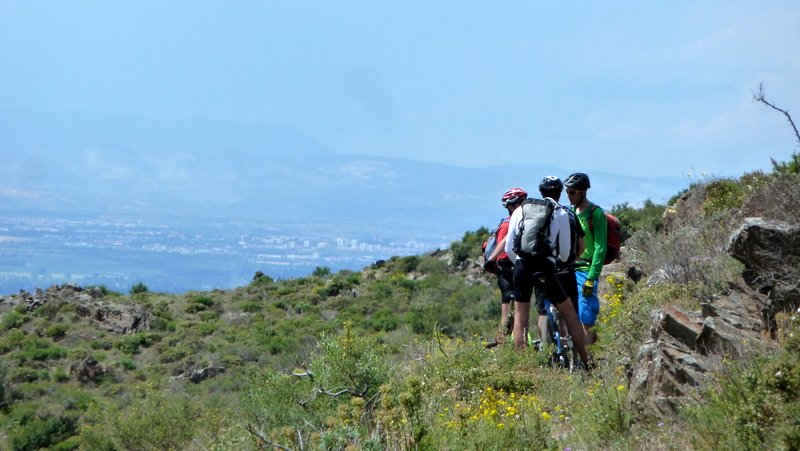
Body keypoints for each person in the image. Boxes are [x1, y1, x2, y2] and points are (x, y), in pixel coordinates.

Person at [504, 188, 591, 367]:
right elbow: (566, 252)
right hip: (546, 265)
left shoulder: (521, 209)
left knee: (521, 319)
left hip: (522, 265)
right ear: (560, 192)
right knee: (569, 314)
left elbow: (508, 249)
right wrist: (555, 262)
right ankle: (587, 361)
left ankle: (522, 368)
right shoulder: (560, 212)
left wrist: (520, 262)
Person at [534, 176, 584, 345]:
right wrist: (572, 259)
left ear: (542, 193)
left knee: (542, 310)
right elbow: (581, 246)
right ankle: (572, 346)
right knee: (569, 312)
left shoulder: (534, 213)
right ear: (560, 193)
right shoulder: (568, 213)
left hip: (540, 268)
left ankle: (545, 349)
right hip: (565, 269)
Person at [564, 172, 607, 346]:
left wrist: (591, 277)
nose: (569, 195)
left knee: (586, 316)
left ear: (583, 192)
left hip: (585, 270)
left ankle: (590, 359)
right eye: (568, 192)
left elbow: (600, 247)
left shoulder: (595, 214)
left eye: (573, 192)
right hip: (570, 267)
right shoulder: (569, 212)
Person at [484, 187, 527, 344]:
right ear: (512, 205)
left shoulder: (510, 222)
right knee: (508, 310)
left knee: (515, 310)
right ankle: (503, 342)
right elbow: (503, 251)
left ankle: (511, 341)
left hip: (509, 269)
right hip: (507, 269)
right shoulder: (509, 225)